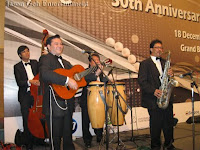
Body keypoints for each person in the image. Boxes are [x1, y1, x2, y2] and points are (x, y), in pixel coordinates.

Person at [39, 34, 78, 150]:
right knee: (55, 139)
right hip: (54, 104)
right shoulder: (45, 58)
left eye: (61, 44)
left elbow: (78, 76)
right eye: (56, 44)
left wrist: (94, 73)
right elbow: (45, 74)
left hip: (68, 103)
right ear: (49, 47)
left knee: (68, 135)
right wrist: (67, 80)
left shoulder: (66, 62)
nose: (60, 46)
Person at [138, 39, 175, 150]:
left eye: (161, 48)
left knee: (168, 124)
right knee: (156, 126)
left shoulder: (165, 62)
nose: (160, 50)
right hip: (153, 100)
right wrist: (154, 91)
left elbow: (168, 80)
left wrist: (171, 75)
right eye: (157, 47)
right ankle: (155, 147)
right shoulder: (145, 64)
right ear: (151, 49)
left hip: (166, 99)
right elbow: (142, 81)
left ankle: (169, 145)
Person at [14, 45, 40, 150]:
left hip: (37, 95)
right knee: (27, 119)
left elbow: (42, 71)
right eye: (24, 52)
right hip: (25, 95)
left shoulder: (35, 63)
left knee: (37, 118)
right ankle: (28, 143)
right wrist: (30, 82)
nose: (27, 53)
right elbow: (19, 82)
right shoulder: (17, 66)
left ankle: (39, 140)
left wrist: (43, 57)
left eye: (28, 51)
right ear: (20, 55)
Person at [80, 53, 108, 148]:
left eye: (98, 60)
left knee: (99, 118)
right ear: (90, 62)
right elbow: (85, 80)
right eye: (94, 60)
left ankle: (99, 137)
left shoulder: (102, 72)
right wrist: (96, 73)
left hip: (99, 101)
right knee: (86, 121)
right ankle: (87, 140)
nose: (97, 62)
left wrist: (103, 75)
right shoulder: (85, 71)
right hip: (87, 100)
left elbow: (106, 82)